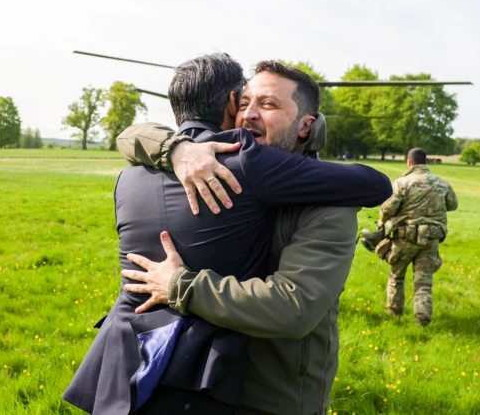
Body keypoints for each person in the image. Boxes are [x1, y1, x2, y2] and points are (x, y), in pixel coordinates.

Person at [63, 54, 392, 415]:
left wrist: (181, 285)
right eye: (246, 101)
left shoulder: (329, 201)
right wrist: (177, 148)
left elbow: (294, 307)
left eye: (268, 104)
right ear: (231, 105)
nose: (250, 114)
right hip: (205, 382)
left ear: (305, 126)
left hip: (271, 395)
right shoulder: (212, 165)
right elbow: (129, 135)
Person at [377, 147, 458, 326]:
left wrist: (382, 222)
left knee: (396, 276)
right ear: (425, 162)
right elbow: (452, 204)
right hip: (431, 238)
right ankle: (422, 320)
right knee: (424, 281)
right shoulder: (441, 183)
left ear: (409, 162)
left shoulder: (402, 182)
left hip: (405, 237)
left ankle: (394, 314)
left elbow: (388, 207)